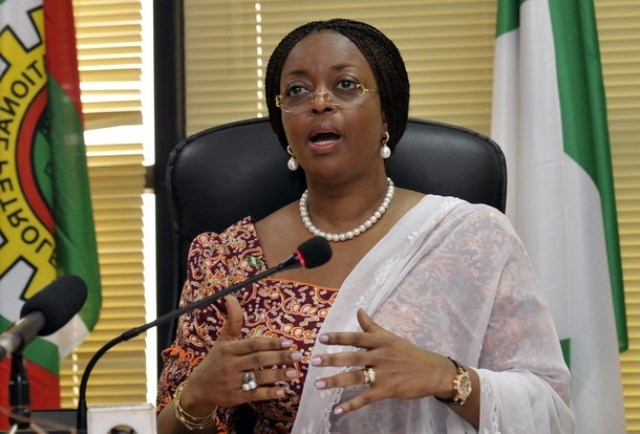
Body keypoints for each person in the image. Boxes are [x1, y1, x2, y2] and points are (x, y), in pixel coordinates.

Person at [156, 18, 575, 433]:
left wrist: (445, 377)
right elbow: (171, 425)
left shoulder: (473, 238)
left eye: (345, 84)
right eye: (297, 90)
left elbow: (550, 410)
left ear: (386, 114)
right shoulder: (228, 260)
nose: (320, 102)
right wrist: (199, 398)